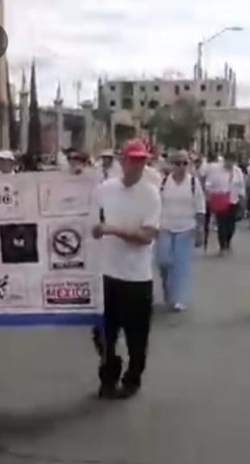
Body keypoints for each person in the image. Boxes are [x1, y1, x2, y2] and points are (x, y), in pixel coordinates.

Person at [91, 139, 161, 399]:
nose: (138, 165)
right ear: (122, 161)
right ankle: (108, 374)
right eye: (133, 160)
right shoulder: (105, 190)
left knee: (137, 337)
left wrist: (112, 230)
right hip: (108, 274)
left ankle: (133, 377)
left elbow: (146, 236)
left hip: (137, 277)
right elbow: (88, 217)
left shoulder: (150, 194)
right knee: (104, 333)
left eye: (142, 160)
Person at [156, 150, 205, 311]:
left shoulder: (193, 183)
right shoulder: (163, 182)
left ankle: (179, 298)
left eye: (185, 163)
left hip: (186, 227)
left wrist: (200, 230)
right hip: (165, 226)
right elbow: (155, 205)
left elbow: (200, 206)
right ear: (171, 165)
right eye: (178, 163)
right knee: (164, 261)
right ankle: (167, 288)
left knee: (181, 264)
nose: (181, 167)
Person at [203, 152, 245, 255]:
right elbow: (208, 183)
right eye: (228, 161)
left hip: (233, 200)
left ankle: (228, 240)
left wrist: (242, 197)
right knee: (221, 223)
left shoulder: (237, 171)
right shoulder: (216, 171)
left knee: (231, 224)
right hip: (220, 200)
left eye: (231, 161)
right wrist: (211, 193)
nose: (229, 163)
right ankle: (222, 245)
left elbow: (241, 185)